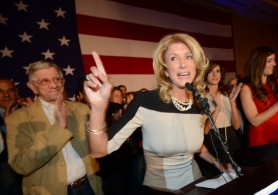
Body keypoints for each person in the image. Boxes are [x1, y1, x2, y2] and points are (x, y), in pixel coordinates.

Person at [84, 33, 233, 190]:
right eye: (174, 58)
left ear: (195, 65)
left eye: (188, 57)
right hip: (161, 190)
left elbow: (197, 146)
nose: (183, 64)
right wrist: (98, 109)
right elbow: (99, 151)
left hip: (196, 185)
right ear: (165, 70)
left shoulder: (199, 104)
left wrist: (219, 164)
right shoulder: (145, 102)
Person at [5, 60, 103, 195]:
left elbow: (100, 147)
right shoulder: (17, 119)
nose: (54, 85)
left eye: (57, 79)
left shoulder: (82, 109)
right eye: (45, 81)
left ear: (63, 82)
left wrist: (100, 109)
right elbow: (21, 165)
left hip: (90, 186)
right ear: (32, 87)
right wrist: (58, 129)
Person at [239, 46, 278, 147]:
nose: (274, 63)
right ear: (258, 63)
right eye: (270, 61)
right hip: (263, 142)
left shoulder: (277, 83)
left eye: (274, 60)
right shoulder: (246, 89)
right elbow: (254, 121)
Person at [198, 62, 242, 178]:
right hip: (212, 141)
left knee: (237, 176)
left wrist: (232, 103)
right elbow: (205, 130)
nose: (215, 74)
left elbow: (237, 126)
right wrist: (217, 109)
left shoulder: (227, 97)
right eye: (211, 71)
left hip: (231, 139)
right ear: (205, 74)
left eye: (217, 71)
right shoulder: (201, 98)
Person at [0, 76, 29, 195]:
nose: (6, 95)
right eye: (0, 92)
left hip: (35, 181)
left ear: (16, 93)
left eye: (10, 90)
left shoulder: (29, 112)